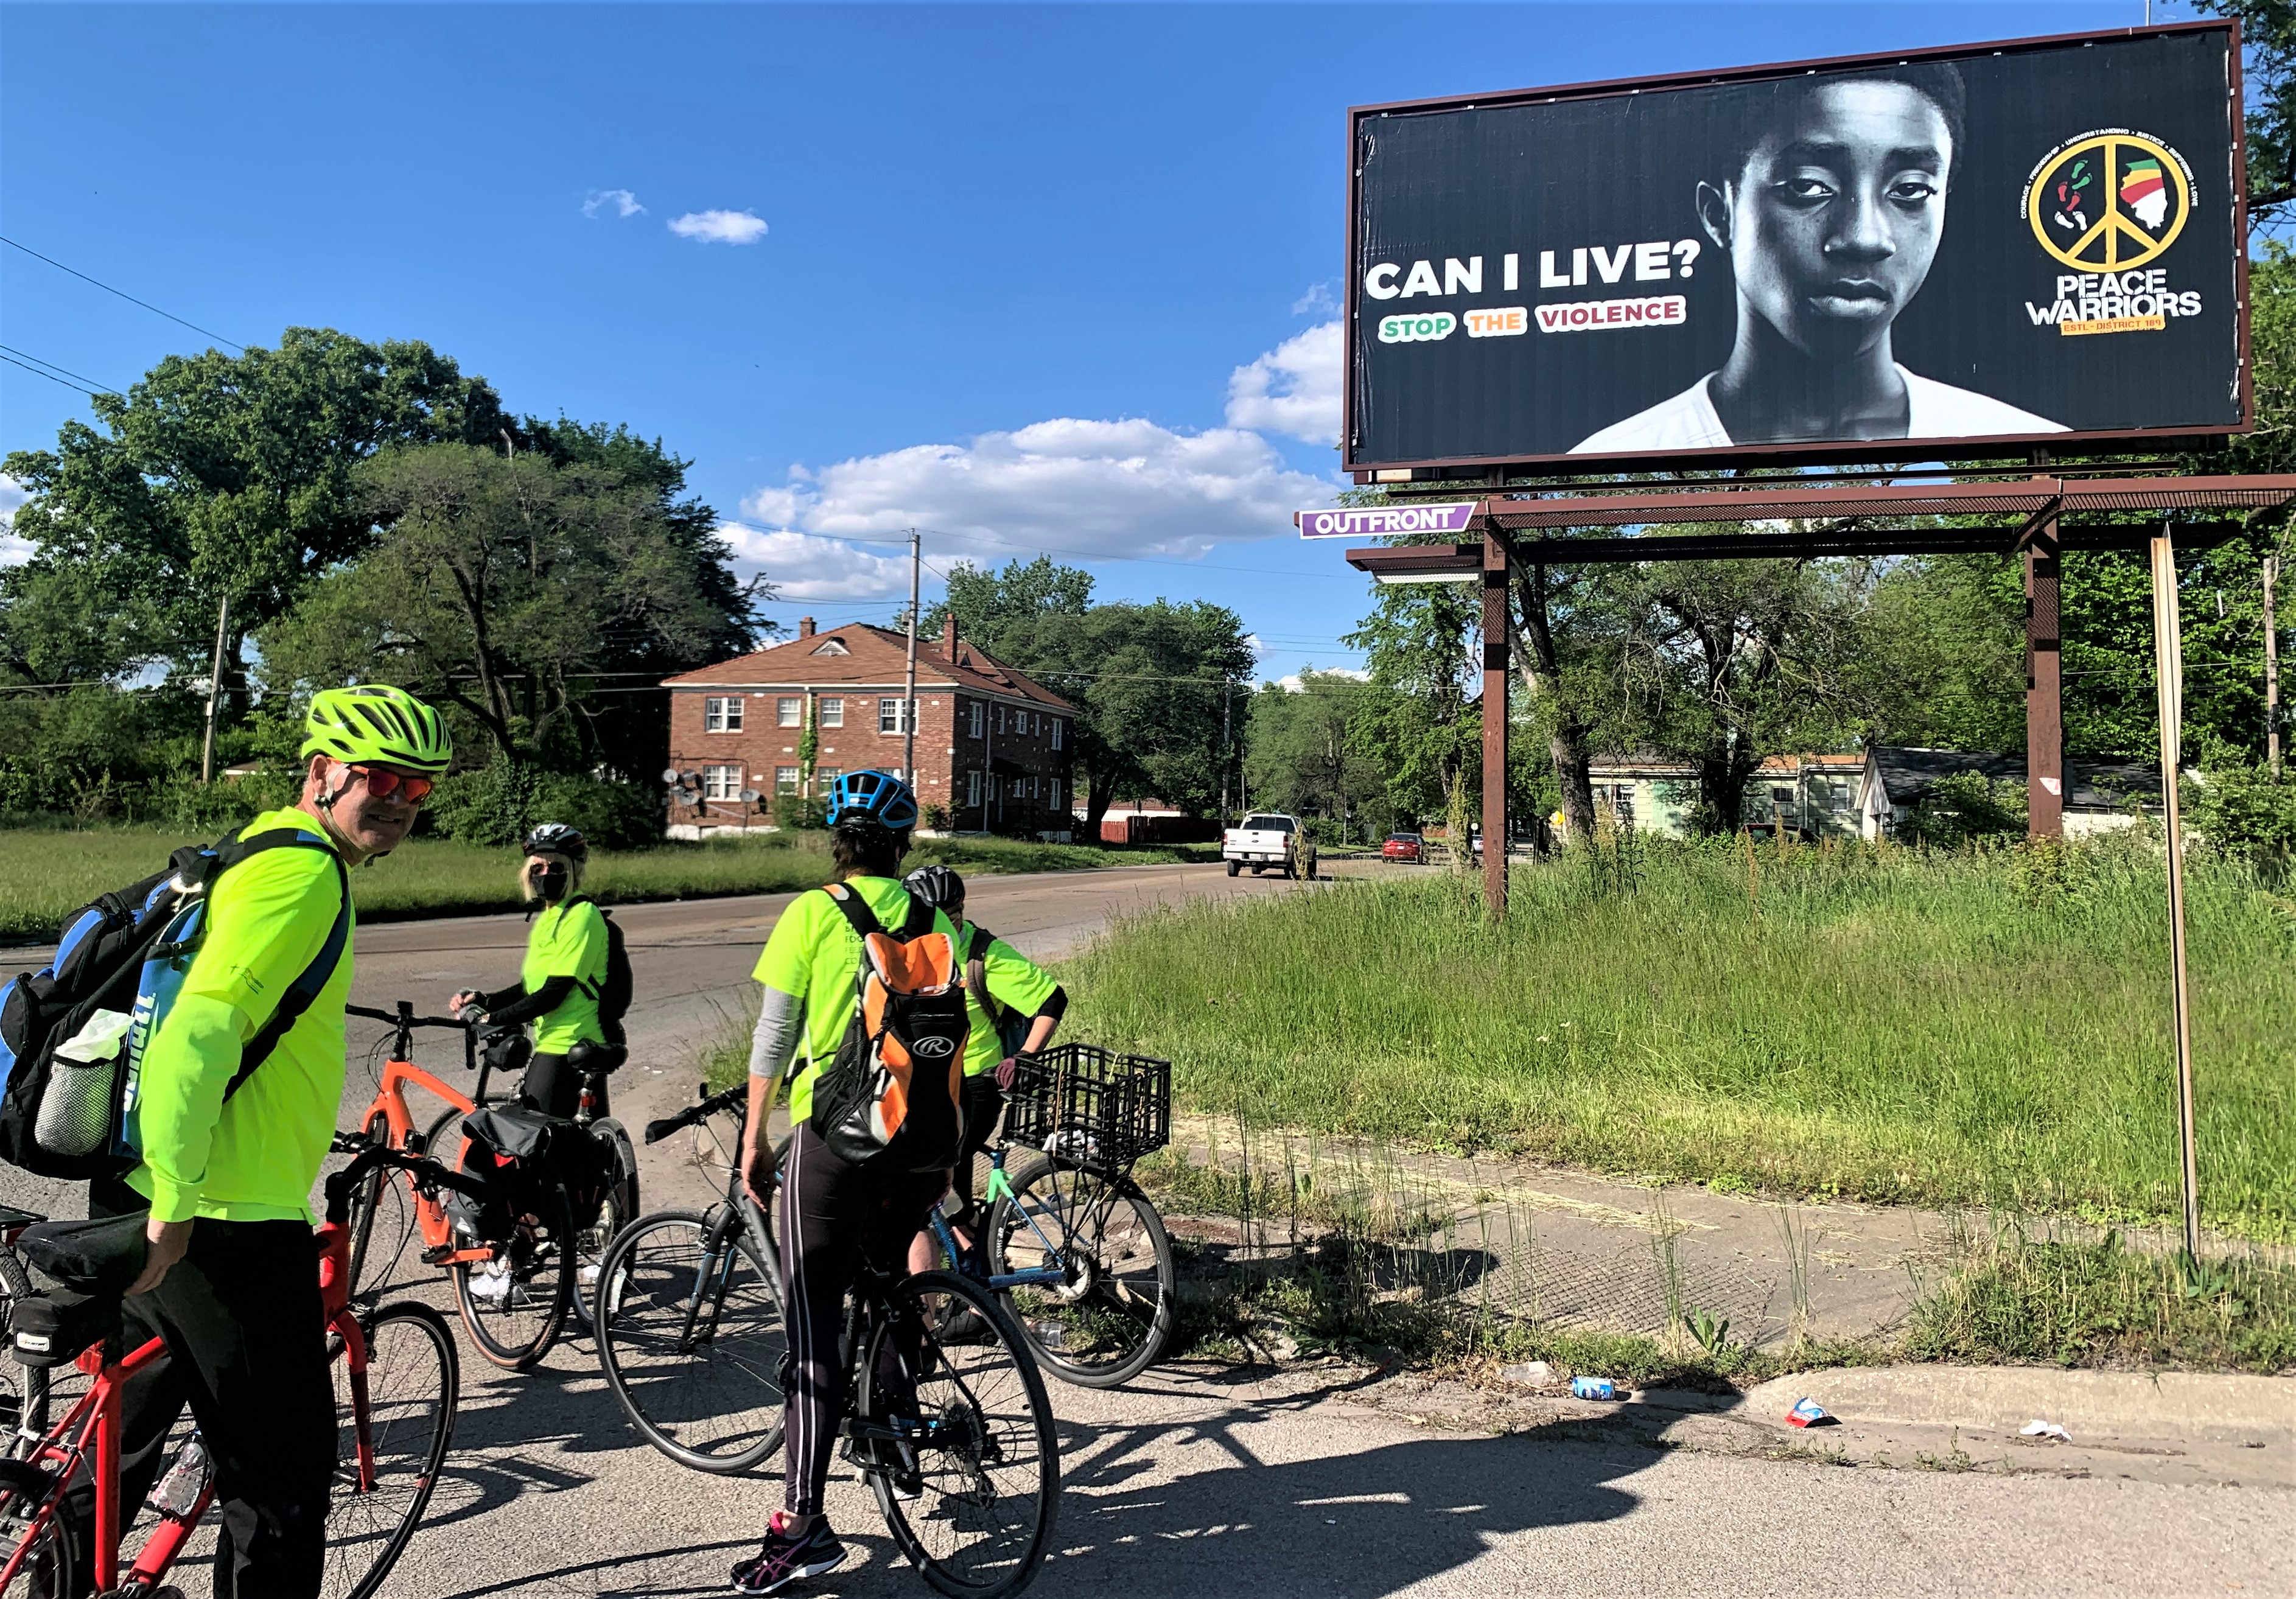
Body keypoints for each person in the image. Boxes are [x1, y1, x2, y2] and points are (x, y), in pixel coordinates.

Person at [92, 684, 450, 1597]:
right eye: (381, 778)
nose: (401, 802)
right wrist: (177, 1201)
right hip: (223, 1221)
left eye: (421, 789)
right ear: (322, 769)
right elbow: (198, 1035)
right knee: (281, 1487)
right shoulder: (303, 875)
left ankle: (59, 1570)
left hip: (137, 1189)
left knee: (113, 1462)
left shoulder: (252, 848)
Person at [1572, 63, 2065, 453]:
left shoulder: (2030, 442)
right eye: (1808, 187)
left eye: (1911, 190)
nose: (1865, 238)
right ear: (1720, 214)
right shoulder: (1609, 461)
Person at [732, 770, 960, 1595]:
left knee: (813, 1327)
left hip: (836, 1139)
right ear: (902, 844)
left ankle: (802, 1525)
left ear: (837, 838)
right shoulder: (937, 919)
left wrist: (754, 1138)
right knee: (895, 1274)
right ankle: (897, 1417)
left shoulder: (811, 911)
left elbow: (773, 1036)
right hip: (923, 1141)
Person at [896, 864, 1066, 1278]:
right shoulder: (908, 954)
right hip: (929, 1088)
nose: (943, 925)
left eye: (951, 915)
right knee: (946, 1189)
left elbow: (1051, 999)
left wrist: (1024, 1056)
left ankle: (972, 1279)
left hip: (975, 1086)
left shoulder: (982, 955)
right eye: (931, 915)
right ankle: (974, 1259)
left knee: (921, 1183)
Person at [447, 822, 615, 1121]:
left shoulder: (581, 915)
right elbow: (531, 988)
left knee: (531, 1133)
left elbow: (554, 993)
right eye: (538, 868)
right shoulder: (551, 916)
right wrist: (485, 1000)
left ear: (575, 871)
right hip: (552, 1039)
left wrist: (492, 1020)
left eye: (557, 868)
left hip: (570, 1042)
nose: (545, 875)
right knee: (570, 1148)